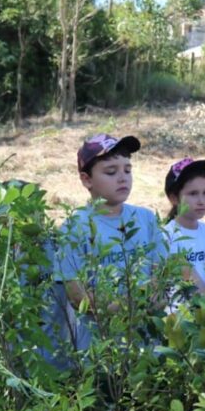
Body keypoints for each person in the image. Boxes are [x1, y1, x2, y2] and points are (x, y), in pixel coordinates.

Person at [52, 133, 161, 351]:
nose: (123, 178)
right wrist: (129, 307)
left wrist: (151, 300)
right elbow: (77, 296)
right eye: (111, 171)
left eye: (128, 170)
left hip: (148, 345)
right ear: (86, 179)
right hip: (99, 352)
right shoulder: (74, 228)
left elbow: (160, 276)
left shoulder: (147, 219)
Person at [163, 157, 205, 309]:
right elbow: (191, 282)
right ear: (174, 198)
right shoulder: (166, 236)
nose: (201, 200)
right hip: (179, 322)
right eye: (193, 194)